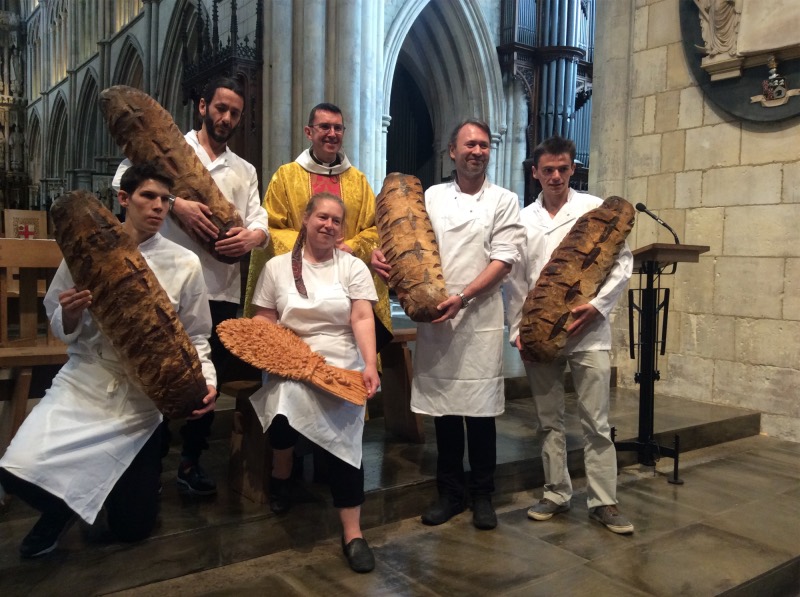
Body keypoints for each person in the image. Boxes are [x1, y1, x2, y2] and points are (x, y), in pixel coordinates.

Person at [0, 162, 217, 558]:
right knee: (14, 470)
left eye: (166, 200)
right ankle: (60, 510)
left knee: (132, 529)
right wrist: (70, 313)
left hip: (140, 400)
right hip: (87, 380)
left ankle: (108, 491)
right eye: (147, 197)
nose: (159, 207)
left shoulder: (185, 263)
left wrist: (207, 380)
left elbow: (197, 334)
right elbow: (58, 321)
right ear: (123, 198)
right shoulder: (86, 253)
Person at [113, 77, 269, 496]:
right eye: (220, 108)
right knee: (157, 371)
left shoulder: (244, 169)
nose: (226, 118)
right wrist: (176, 203)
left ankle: (191, 460)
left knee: (205, 379)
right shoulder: (171, 150)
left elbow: (260, 220)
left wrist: (253, 237)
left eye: (235, 112)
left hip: (220, 288)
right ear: (202, 106)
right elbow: (121, 183)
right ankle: (151, 458)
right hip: (164, 283)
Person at [372, 119, 524, 530]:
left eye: (484, 145)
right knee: (445, 413)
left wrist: (464, 297)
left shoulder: (504, 199)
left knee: (480, 413)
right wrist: (383, 257)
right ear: (452, 152)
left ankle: (483, 494)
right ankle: (450, 494)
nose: (477, 151)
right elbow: (409, 241)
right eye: (469, 145)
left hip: (479, 315)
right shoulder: (433, 196)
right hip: (437, 316)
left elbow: (504, 260)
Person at [506, 135, 635, 534]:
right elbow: (515, 280)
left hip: (588, 331)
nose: (556, 176)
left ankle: (604, 500)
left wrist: (597, 306)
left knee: (595, 421)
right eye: (548, 170)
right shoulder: (525, 219)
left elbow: (621, 263)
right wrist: (518, 330)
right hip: (541, 335)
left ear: (572, 169)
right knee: (549, 421)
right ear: (535, 173)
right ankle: (556, 491)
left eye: (563, 168)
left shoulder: (594, 209)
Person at [249, 192, 379, 573]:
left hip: (339, 361)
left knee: (346, 434)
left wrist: (369, 363)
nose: (329, 225)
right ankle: (282, 472)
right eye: (322, 217)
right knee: (285, 402)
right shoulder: (275, 267)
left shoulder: (352, 266)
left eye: (336, 221)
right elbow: (264, 319)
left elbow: (361, 318)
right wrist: (274, 352)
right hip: (290, 358)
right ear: (306, 219)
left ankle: (353, 532)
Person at [243, 102, 391, 347]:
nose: (332, 134)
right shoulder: (286, 176)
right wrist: (314, 247)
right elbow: (271, 227)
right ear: (308, 132)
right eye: (324, 127)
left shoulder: (358, 180)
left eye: (338, 128)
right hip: (299, 280)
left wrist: (351, 247)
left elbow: (375, 229)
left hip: (344, 282)